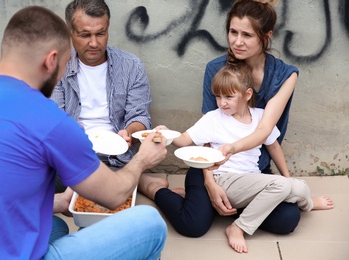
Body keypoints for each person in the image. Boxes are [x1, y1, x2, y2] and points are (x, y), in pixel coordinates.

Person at [0, 6, 168, 259]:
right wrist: (143, 158)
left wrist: (59, 202)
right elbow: (114, 196)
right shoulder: (50, 120)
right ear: (51, 61)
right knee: (150, 222)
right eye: (66, 62)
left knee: (55, 226)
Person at [139, 0, 301, 239]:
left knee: (288, 219)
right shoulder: (216, 69)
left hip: (252, 169)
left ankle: (221, 206)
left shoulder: (285, 75)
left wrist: (288, 185)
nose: (237, 41)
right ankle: (153, 188)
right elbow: (209, 132)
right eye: (233, 32)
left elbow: (266, 130)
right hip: (211, 166)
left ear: (266, 37)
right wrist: (210, 184)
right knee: (192, 226)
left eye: (247, 35)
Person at [141, 64, 334, 253]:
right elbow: (185, 139)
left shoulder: (260, 117)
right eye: (218, 96)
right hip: (223, 179)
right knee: (281, 187)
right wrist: (167, 134)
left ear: (247, 94)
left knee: (297, 190)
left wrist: (287, 176)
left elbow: (274, 147)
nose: (222, 102)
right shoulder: (214, 119)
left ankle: (307, 203)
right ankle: (238, 227)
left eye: (229, 96)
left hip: (250, 180)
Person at [51, 0, 151, 175]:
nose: (94, 43)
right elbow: (55, 120)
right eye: (85, 35)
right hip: (73, 156)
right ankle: (138, 184)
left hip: (117, 157)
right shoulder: (57, 67)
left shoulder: (131, 66)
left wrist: (128, 134)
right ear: (70, 32)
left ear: (108, 29)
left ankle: (115, 181)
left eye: (100, 33)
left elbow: (140, 116)